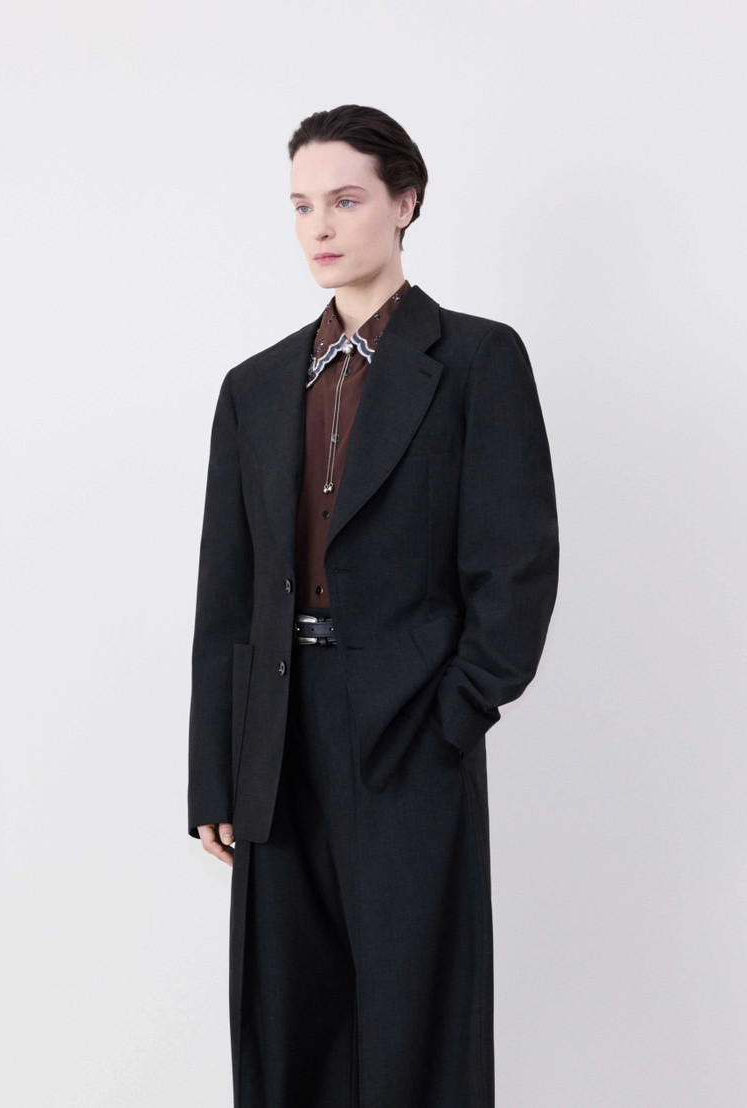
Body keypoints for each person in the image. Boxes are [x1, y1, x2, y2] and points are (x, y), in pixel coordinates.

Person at [188, 104, 559, 1108]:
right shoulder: (254, 387)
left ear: (404, 203)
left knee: (414, 1007)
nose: (319, 226)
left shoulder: (476, 360)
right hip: (274, 735)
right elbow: (226, 592)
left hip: (407, 722)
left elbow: (516, 565)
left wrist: (453, 715)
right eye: (301, 205)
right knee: (286, 1013)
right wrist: (215, 766)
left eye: (345, 200)